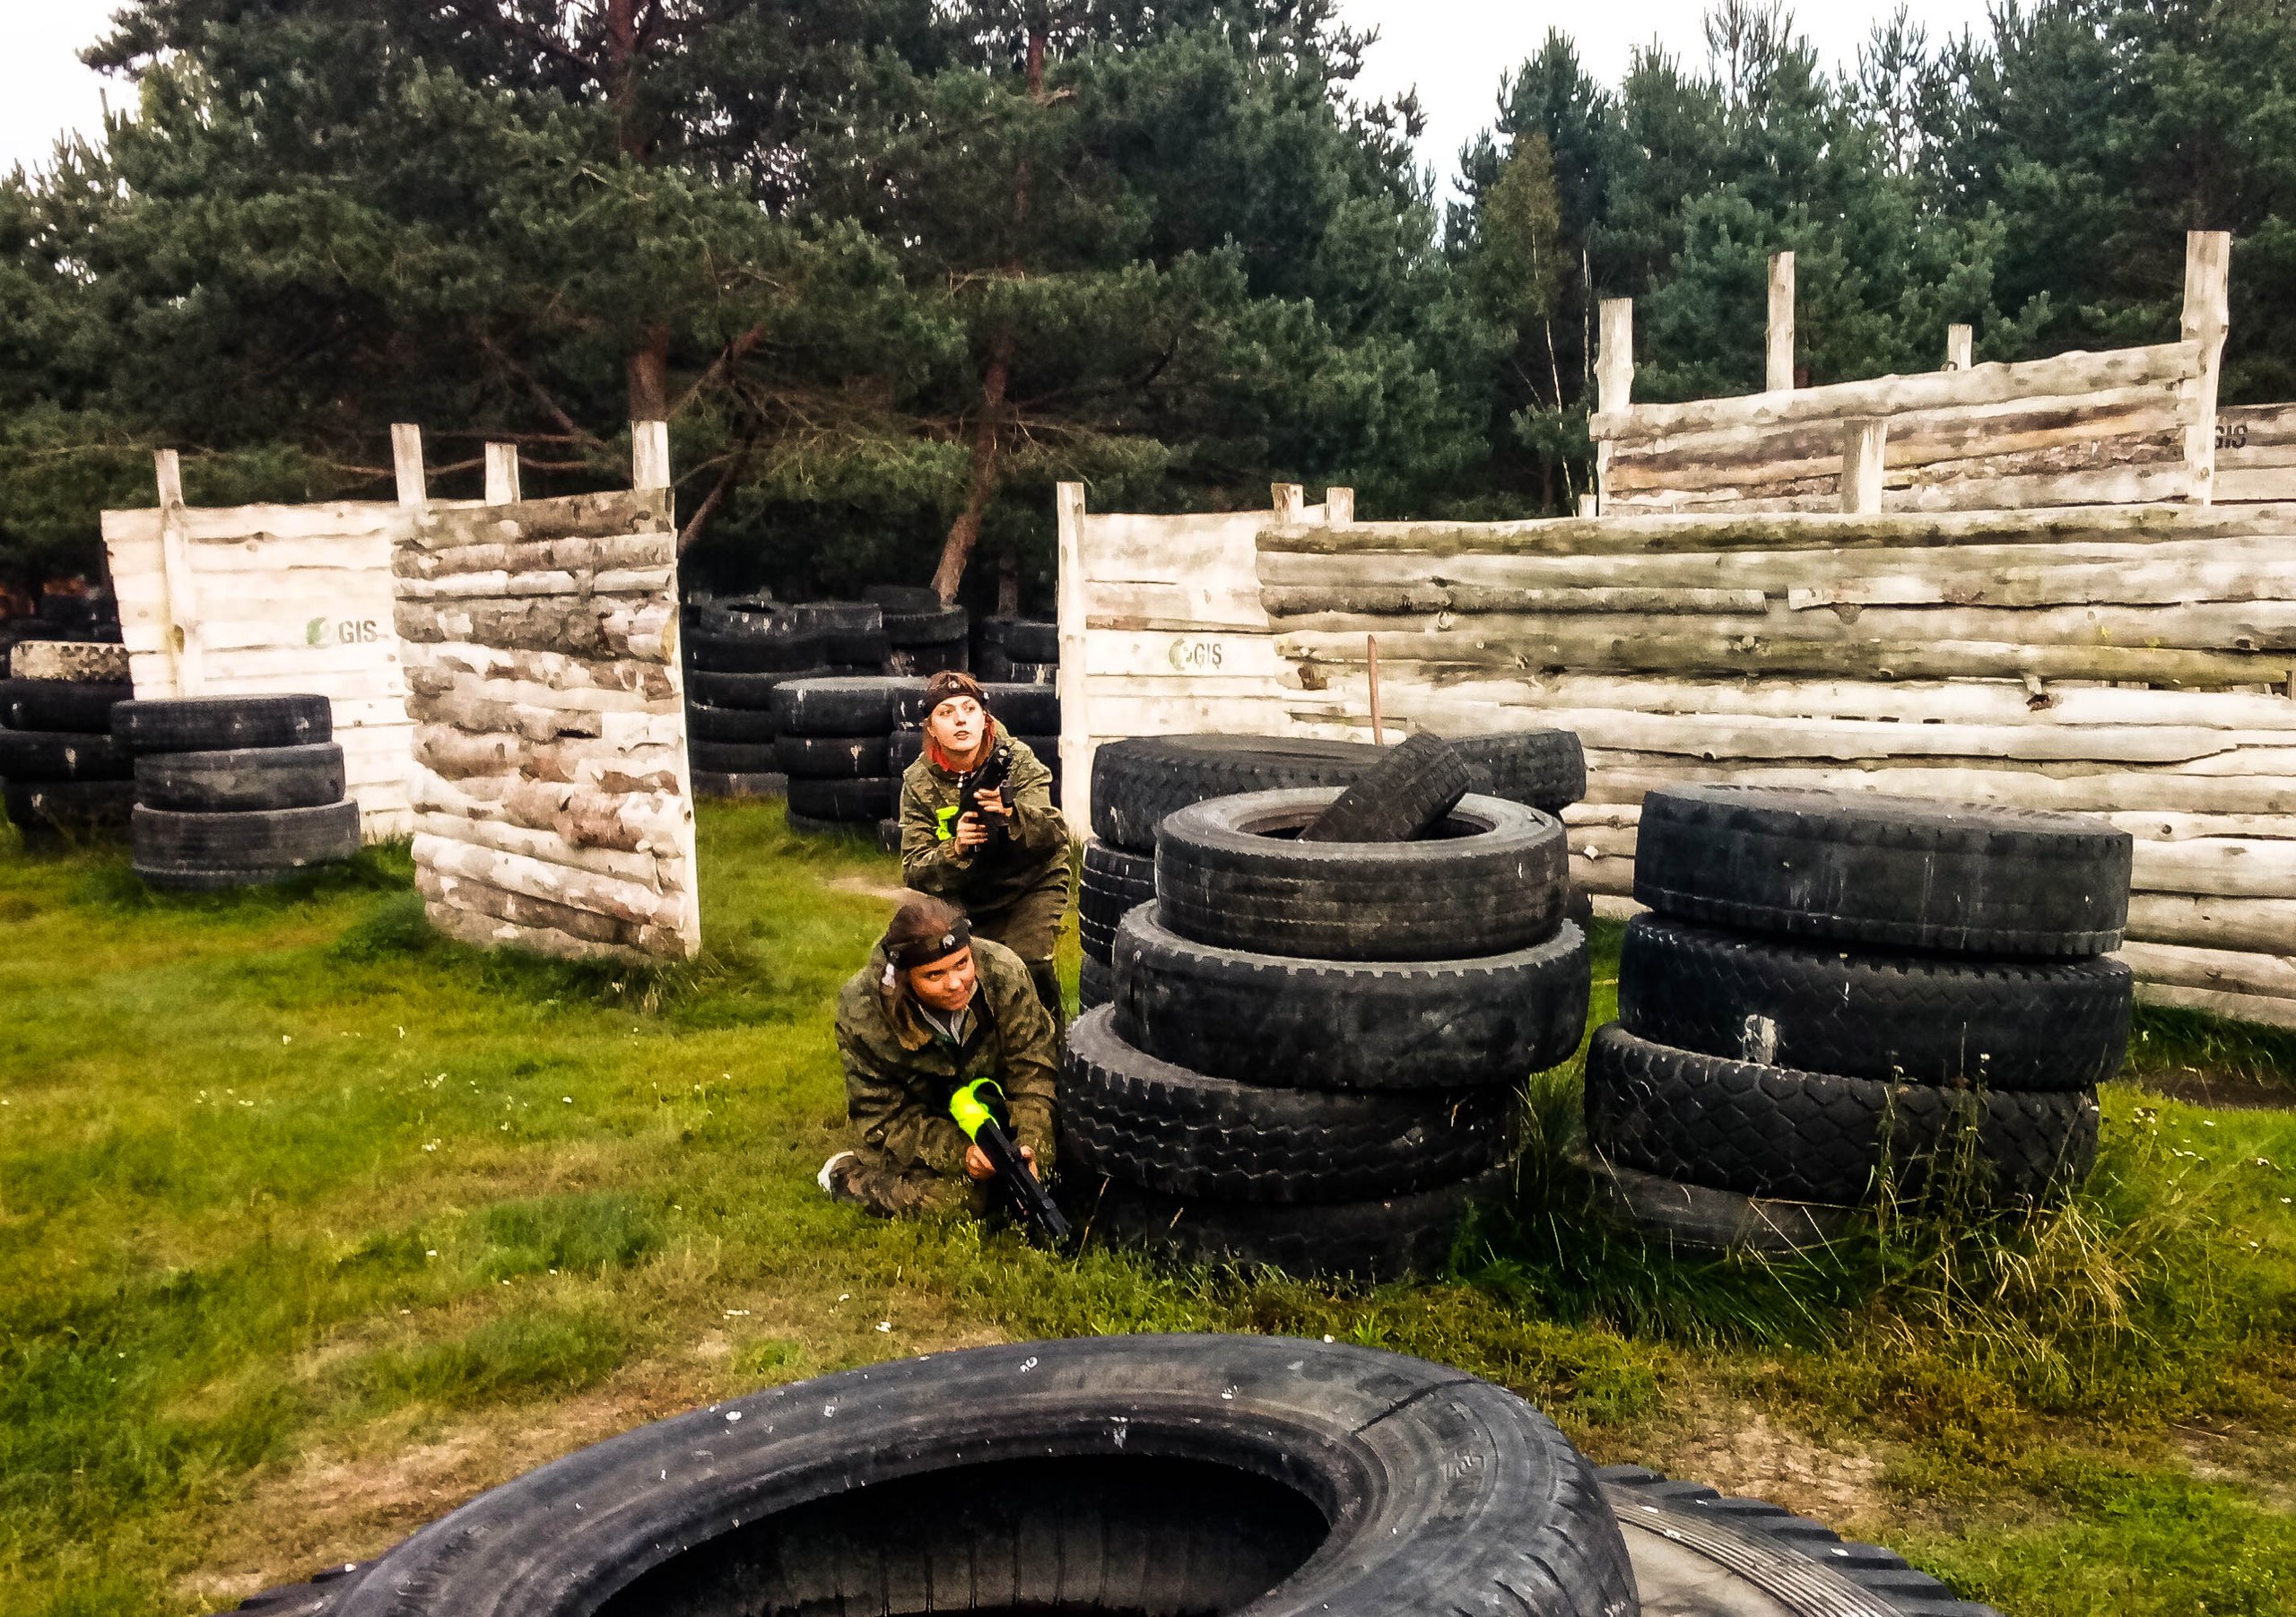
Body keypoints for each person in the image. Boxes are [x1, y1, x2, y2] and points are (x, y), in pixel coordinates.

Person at [821, 895, 1058, 1219]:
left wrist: (1032, 1147)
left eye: (962, 963)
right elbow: (884, 1118)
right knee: (956, 1202)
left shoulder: (1003, 971)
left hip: (999, 1105)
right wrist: (963, 1153)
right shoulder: (863, 1011)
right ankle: (846, 1175)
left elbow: (1033, 1068)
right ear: (905, 979)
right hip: (929, 1120)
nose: (956, 983)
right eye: (934, 975)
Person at [898, 670, 1070, 1017]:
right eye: (946, 713)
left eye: (969, 709)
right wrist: (956, 849)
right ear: (930, 728)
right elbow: (914, 868)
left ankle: (1052, 1042)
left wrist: (1011, 814)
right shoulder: (918, 782)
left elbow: (1054, 833)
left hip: (1030, 882)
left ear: (984, 716)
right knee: (954, 972)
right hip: (968, 891)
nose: (960, 719)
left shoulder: (1016, 759)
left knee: (1028, 963)